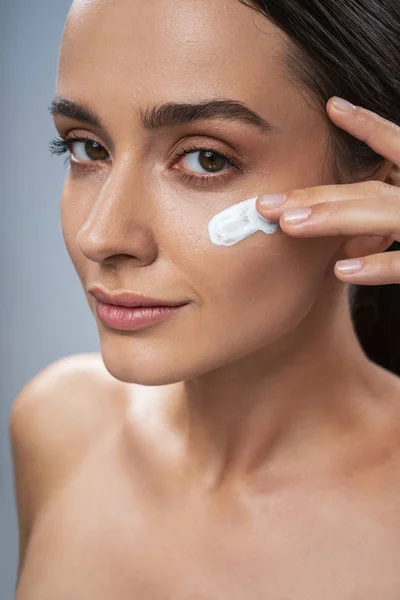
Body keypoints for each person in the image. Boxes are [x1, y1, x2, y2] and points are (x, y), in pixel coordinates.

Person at [10, 0, 400, 597]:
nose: (103, 236)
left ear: (375, 199)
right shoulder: (59, 426)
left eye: (205, 159)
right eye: (87, 148)